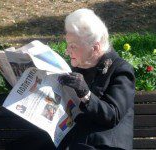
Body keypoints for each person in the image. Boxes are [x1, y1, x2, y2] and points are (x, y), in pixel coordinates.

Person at [57, 8, 135, 150]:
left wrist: (86, 95)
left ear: (95, 48)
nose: (67, 51)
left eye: (73, 46)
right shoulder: (76, 67)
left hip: (104, 145)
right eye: (67, 45)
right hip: (74, 140)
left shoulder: (120, 70)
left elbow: (112, 115)